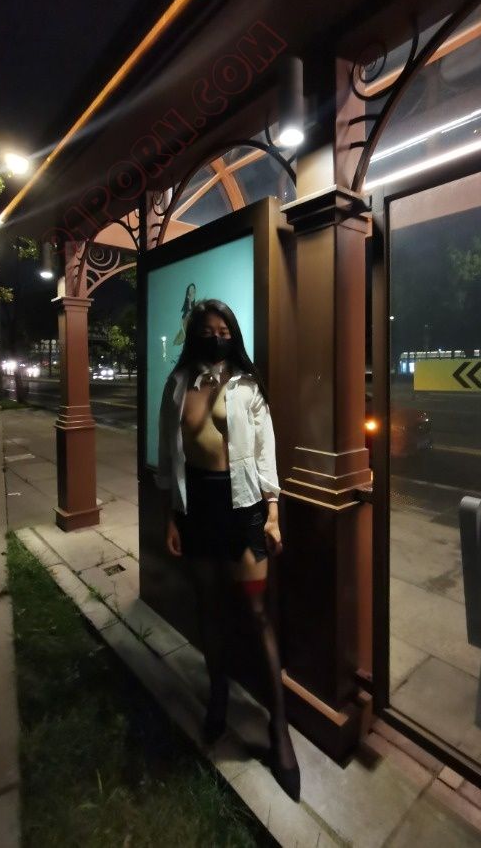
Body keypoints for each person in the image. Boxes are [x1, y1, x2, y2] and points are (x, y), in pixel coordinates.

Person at [155, 298, 300, 801]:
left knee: (258, 615)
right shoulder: (178, 384)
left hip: (244, 512)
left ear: (233, 336)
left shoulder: (247, 386)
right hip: (195, 510)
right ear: (194, 334)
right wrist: (171, 516)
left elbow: (265, 451)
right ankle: (217, 697)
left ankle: (279, 727)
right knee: (210, 609)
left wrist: (273, 512)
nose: (216, 337)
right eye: (207, 330)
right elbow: (168, 451)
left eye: (224, 330)